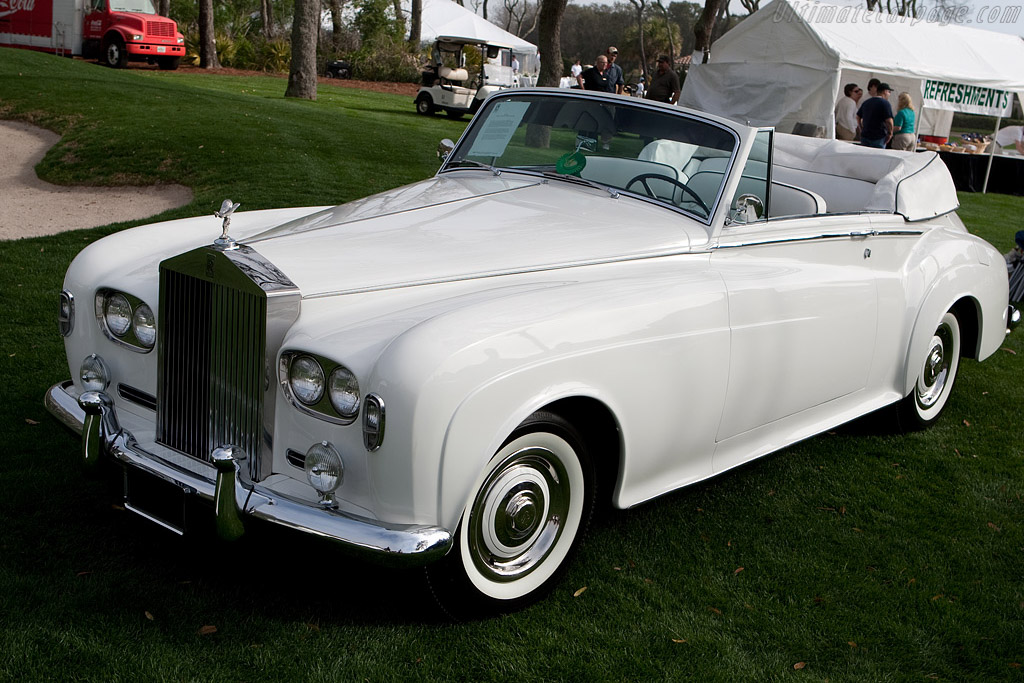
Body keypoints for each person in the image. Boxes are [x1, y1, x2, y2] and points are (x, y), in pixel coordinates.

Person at [857, 82, 894, 149]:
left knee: (865, 156)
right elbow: (889, 121)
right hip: (879, 136)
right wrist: (890, 133)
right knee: (877, 157)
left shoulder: (866, 102)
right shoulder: (885, 103)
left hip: (865, 135)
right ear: (885, 91)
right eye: (889, 92)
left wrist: (861, 128)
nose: (889, 94)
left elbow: (858, 116)